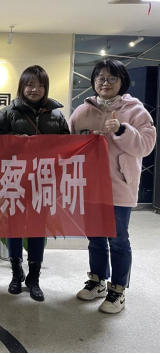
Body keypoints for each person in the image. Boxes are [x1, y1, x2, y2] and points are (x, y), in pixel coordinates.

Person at [69, 59, 156, 314]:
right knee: (95, 238)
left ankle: (118, 289)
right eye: (100, 78)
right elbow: (67, 142)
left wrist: (121, 130)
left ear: (122, 81)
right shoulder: (82, 111)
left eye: (111, 78)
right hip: (88, 186)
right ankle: (97, 280)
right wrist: (85, 140)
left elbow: (146, 145)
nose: (104, 83)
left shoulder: (135, 110)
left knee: (118, 239)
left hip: (119, 185)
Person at [0, 65, 70, 302]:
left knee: (37, 227)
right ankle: (16, 274)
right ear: (21, 87)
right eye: (30, 84)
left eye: (40, 85)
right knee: (14, 226)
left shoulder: (57, 116)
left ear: (46, 88)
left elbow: (67, 146)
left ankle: (34, 278)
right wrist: (15, 140)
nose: (34, 89)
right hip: (14, 179)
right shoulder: (7, 113)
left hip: (43, 179)